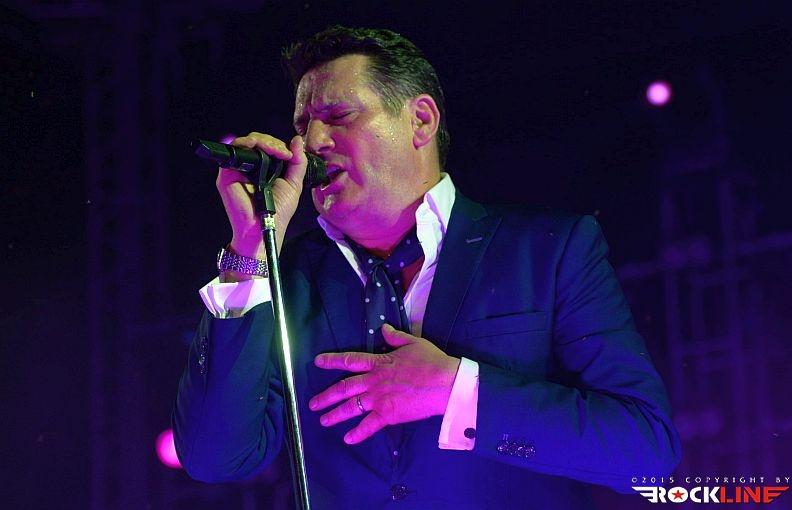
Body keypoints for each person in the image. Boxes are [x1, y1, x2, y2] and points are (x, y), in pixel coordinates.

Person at [173, 25, 681, 509]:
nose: (311, 144)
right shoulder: (287, 280)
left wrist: (458, 391)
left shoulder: (547, 251)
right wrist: (249, 252)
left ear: (420, 121)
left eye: (339, 116)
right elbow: (215, 458)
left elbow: (645, 448)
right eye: (302, 127)